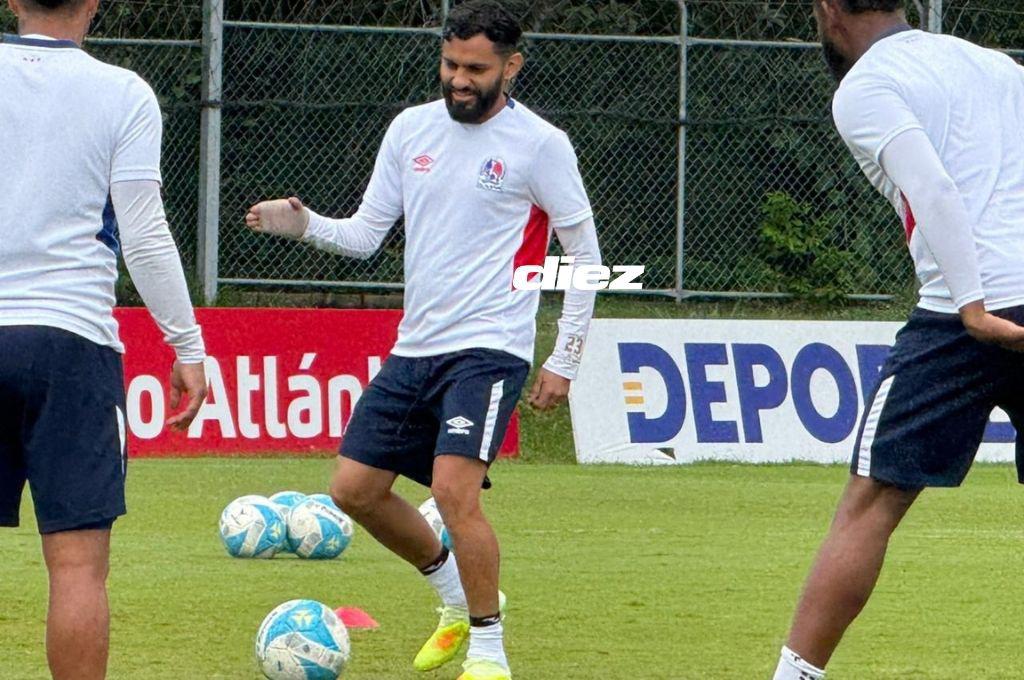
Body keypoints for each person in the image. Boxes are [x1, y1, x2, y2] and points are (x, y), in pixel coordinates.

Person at [245, 2, 601, 677]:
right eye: (450, 64)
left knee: (454, 492)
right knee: (353, 490)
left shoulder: (541, 145)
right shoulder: (411, 129)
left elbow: (584, 253)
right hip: (415, 348)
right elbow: (365, 234)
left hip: (490, 348)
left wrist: (565, 356)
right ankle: (458, 599)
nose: (459, 80)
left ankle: (490, 651)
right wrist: (305, 224)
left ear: (512, 67)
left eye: (476, 69)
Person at [773, 1, 1024, 678]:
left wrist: (973, 307)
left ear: (829, 8)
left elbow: (934, 189)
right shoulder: (995, 65)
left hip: (963, 314)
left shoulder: (867, 84)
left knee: (871, 505)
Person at [0, 1, 209, 678]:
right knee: (78, 567)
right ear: (93, 1)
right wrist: (187, 346)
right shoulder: (123, 93)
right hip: (71, 343)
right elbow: (144, 235)